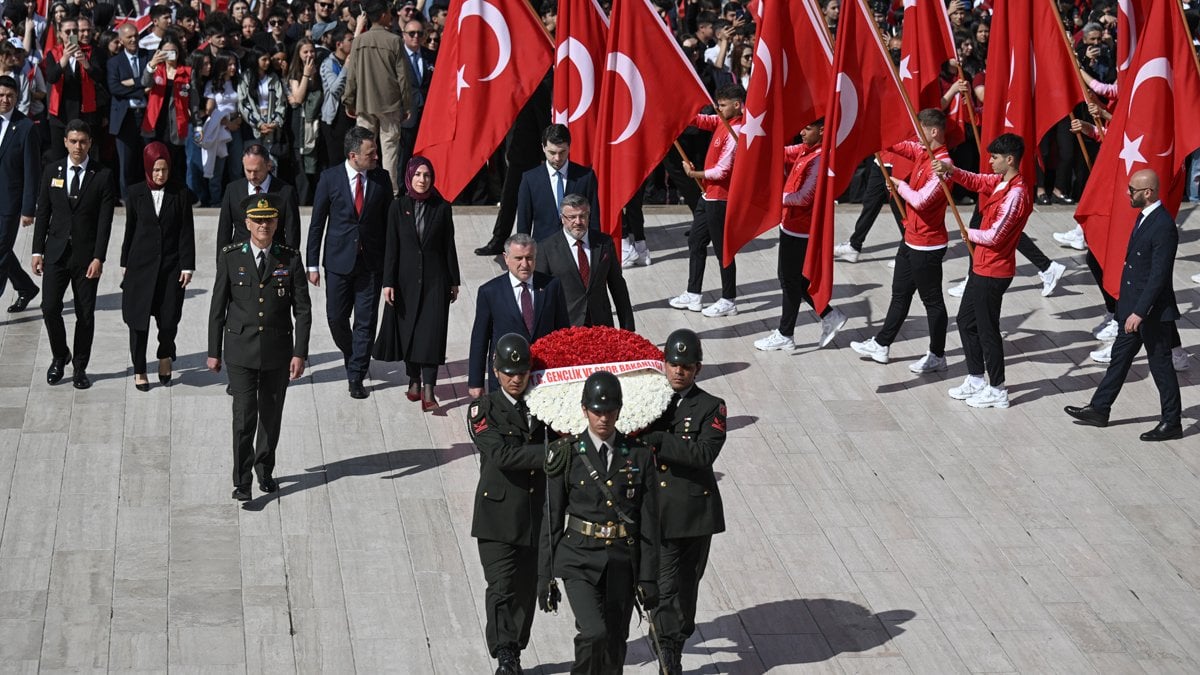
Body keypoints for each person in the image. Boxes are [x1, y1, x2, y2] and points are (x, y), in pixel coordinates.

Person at [539, 371, 660, 675]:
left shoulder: (639, 456)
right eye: (597, 411)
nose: (603, 418)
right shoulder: (565, 454)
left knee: (616, 640)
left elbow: (649, 522)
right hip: (579, 557)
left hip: (621, 558)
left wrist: (648, 577)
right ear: (584, 410)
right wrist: (544, 576)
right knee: (594, 632)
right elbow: (552, 518)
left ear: (619, 411)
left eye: (610, 411)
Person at [207, 194, 312, 501]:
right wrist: (214, 351)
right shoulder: (231, 256)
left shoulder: (289, 258)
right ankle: (242, 481)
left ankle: (264, 469)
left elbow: (302, 310)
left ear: (276, 223)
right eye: (258, 220)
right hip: (240, 350)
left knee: (270, 415)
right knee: (243, 417)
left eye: (269, 220)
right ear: (247, 223)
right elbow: (218, 306)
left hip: (278, 351)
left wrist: (299, 352)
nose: (264, 225)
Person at [1065, 170, 1182, 441]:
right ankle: (1099, 408)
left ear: (1148, 192)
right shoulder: (1144, 219)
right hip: (1132, 310)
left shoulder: (1163, 226)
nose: (1128, 194)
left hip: (1150, 313)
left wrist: (1140, 312)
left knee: (1161, 366)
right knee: (1119, 360)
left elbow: (1158, 276)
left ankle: (1172, 421)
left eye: (1133, 190)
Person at [641, 329, 726, 675]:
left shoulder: (710, 406)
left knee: (687, 584)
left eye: (686, 366)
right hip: (657, 512)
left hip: (693, 514)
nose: (678, 372)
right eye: (673, 364)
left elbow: (704, 453)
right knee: (664, 583)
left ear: (698, 369)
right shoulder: (647, 401)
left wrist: (662, 439)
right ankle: (669, 649)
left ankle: (675, 638)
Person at [467, 333, 550, 675]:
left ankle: (514, 646)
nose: (516, 378)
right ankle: (505, 655)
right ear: (496, 371)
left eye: (522, 372)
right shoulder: (483, 409)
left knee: (525, 589)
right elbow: (501, 454)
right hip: (498, 516)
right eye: (509, 372)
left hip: (534, 514)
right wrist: (549, 454)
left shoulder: (544, 405)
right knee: (501, 586)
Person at [934, 133, 1033, 410]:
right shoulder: (1001, 182)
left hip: (994, 271)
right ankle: (976, 378)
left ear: (1010, 159)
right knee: (966, 321)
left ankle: (998, 388)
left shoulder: (1016, 194)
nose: (990, 162)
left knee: (988, 330)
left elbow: (997, 235)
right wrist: (951, 171)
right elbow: (976, 181)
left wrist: (968, 233)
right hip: (981, 266)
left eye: (995, 158)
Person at [850, 110, 953, 372]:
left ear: (934, 132)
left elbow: (921, 200)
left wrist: (898, 185)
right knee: (900, 294)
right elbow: (900, 146)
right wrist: (876, 135)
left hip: (928, 244)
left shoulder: (942, 165)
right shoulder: (922, 152)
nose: (916, 136)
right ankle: (882, 345)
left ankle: (937, 355)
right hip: (910, 238)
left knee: (932, 301)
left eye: (920, 131)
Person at [306, 127, 392, 399]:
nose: (376, 156)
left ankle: (356, 375)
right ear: (354, 155)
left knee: (366, 322)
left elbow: (389, 225)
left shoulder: (382, 179)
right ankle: (352, 352)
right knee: (336, 318)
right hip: (338, 262)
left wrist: (392, 265)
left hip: (371, 263)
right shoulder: (330, 179)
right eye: (371, 153)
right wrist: (312, 264)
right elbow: (317, 223)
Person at [31, 119, 115, 390]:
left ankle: (80, 366)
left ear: (90, 143)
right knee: (49, 307)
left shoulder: (102, 175)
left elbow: (105, 221)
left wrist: (99, 257)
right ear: (65, 142)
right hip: (56, 252)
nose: (78, 146)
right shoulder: (51, 170)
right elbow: (43, 212)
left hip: (86, 257)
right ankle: (60, 355)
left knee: (85, 314)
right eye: (73, 141)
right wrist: (37, 250)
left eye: (83, 141)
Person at [753, 120, 849, 352]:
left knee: (790, 281)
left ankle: (787, 333)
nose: (801, 132)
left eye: (807, 129)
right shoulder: (805, 150)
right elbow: (779, 152)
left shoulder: (819, 159)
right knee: (793, 280)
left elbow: (805, 197)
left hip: (801, 230)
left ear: (822, 131)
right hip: (790, 225)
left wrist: (776, 199)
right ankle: (829, 315)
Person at [375, 156, 461, 411]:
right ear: (409, 177)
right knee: (410, 333)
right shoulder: (398, 207)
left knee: (431, 335)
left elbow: (449, 246)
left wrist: (454, 280)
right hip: (405, 282)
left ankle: (429, 391)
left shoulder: (442, 207)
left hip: (436, 281)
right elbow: (391, 247)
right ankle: (414, 381)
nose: (422, 180)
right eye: (418, 175)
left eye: (427, 175)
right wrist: (388, 281)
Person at [120, 142, 195, 391]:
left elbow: (186, 231)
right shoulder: (135, 193)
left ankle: (165, 356)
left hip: (171, 267)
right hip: (140, 268)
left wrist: (187, 265)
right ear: (147, 168)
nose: (160, 175)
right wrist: (124, 263)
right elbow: (130, 231)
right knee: (138, 323)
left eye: (164, 169)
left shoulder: (180, 193)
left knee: (169, 319)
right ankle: (140, 368)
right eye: (156, 170)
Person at [669, 84, 744, 318]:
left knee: (723, 251)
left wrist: (695, 175)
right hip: (707, 195)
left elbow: (722, 171)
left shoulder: (738, 132)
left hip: (721, 199)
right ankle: (693, 293)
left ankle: (729, 299)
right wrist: (677, 114)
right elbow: (703, 120)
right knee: (696, 241)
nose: (718, 110)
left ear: (737, 105)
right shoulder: (723, 121)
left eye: (722, 106)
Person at [467, 234, 569, 397]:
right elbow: (480, 338)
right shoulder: (490, 292)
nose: (524, 264)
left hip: (544, 376)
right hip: (506, 378)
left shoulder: (551, 286)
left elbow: (563, 332)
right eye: (518, 258)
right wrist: (475, 382)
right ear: (506, 258)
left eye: (529, 258)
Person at [342, 0, 413, 196]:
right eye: (389, 13)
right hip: (389, 104)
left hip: (364, 103)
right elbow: (403, 77)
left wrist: (349, 100)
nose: (391, 16)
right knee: (389, 149)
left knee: (363, 147)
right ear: (382, 15)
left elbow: (352, 76)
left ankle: (363, 189)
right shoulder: (394, 41)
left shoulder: (358, 42)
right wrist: (406, 104)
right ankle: (389, 192)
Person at [534, 193, 635, 330]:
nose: (578, 222)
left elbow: (618, 287)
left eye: (582, 216)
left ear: (588, 216)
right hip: (565, 327)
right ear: (562, 219)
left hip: (601, 325)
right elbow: (539, 294)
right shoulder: (546, 248)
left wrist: (627, 329)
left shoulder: (604, 243)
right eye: (572, 217)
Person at [515, 124, 600, 242]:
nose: (557, 158)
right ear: (543, 148)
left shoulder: (585, 177)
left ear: (569, 147)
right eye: (552, 152)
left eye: (562, 152)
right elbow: (524, 223)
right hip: (543, 249)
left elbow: (593, 217)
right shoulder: (530, 179)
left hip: (577, 247)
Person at [215, 144, 302, 257]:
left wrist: (292, 263)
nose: (252, 176)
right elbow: (224, 231)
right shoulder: (232, 190)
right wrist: (222, 265)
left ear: (268, 165)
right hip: (240, 259)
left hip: (275, 259)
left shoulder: (285, 192)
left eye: (256, 171)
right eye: (248, 170)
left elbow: (292, 233)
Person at [0, 74, 41, 313]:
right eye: (1, 95)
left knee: (0, 252)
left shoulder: (25, 127)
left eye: (10, 96)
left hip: (10, 203)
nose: (5, 100)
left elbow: (32, 172)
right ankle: (26, 287)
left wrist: (28, 209)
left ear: (17, 98)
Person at [107, 22, 151, 201]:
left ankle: (148, 195)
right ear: (121, 40)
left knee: (148, 157)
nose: (133, 39)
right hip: (125, 117)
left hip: (147, 115)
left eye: (136, 36)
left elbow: (153, 81)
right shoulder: (114, 62)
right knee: (126, 162)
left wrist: (131, 82)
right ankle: (127, 199)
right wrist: (141, 85)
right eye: (129, 37)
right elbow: (115, 87)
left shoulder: (148, 56)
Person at [141, 39, 191, 182]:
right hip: (155, 120)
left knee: (174, 159)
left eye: (173, 51)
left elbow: (192, 98)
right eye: (166, 52)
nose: (170, 55)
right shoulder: (156, 69)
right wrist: (152, 63)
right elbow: (144, 82)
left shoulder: (185, 71)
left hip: (176, 121)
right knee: (154, 157)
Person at [286, 38, 324, 204]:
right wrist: (306, 74)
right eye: (305, 52)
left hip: (318, 123)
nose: (309, 55)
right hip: (300, 125)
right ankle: (303, 201)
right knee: (301, 166)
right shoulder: (295, 73)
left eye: (311, 51)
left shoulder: (321, 69)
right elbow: (298, 98)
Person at [398, 17, 433, 179]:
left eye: (420, 33)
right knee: (404, 154)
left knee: (427, 153)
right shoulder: (397, 56)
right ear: (403, 35)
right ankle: (402, 188)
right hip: (406, 112)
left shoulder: (431, 55)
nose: (416, 37)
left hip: (429, 112)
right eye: (411, 33)